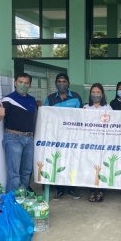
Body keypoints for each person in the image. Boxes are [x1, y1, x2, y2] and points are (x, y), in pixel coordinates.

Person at [0, 73, 37, 193]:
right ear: (15, 83)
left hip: (29, 139)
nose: (23, 84)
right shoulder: (8, 99)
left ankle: (23, 197)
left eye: (26, 83)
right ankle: (11, 201)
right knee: (14, 173)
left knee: (27, 171)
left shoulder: (32, 100)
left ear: (29, 85)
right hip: (13, 139)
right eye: (20, 82)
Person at [43, 72, 82, 201]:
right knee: (58, 161)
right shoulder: (50, 99)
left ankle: (71, 188)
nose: (61, 84)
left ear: (68, 84)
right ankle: (59, 190)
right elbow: (45, 116)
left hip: (73, 136)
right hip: (56, 137)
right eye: (59, 82)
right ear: (55, 84)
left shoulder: (76, 98)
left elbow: (82, 116)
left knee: (72, 161)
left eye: (64, 82)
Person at [84, 83, 112, 202]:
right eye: (93, 92)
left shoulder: (108, 108)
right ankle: (91, 191)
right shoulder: (85, 108)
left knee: (102, 166)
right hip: (89, 143)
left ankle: (101, 191)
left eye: (98, 92)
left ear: (102, 94)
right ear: (90, 94)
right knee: (91, 166)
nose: (95, 94)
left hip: (103, 143)